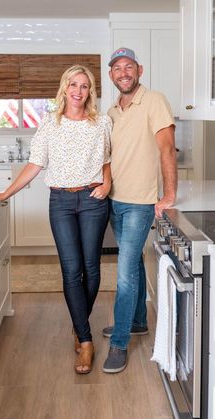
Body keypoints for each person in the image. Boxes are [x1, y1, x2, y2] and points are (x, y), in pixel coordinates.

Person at [0, 65, 112, 375]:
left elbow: (107, 159)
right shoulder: (49, 124)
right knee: (70, 270)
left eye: (84, 85)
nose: (78, 91)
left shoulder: (101, 122)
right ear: (64, 88)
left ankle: (78, 323)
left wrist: (107, 183)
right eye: (73, 84)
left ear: (89, 91)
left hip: (93, 200)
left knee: (92, 270)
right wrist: (4, 193)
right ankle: (86, 339)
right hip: (62, 202)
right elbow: (34, 165)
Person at [102, 47, 177, 373]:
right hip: (115, 199)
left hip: (140, 202)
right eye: (117, 68)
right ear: (111, 75)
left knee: (124, 271)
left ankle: (119, 343)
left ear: (140, 70)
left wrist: (169, 194)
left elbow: (167, 148)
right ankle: (136, 323)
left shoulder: (155, 100)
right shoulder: (112, 111)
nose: (123, 72)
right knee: (133, 265)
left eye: (128, 66)